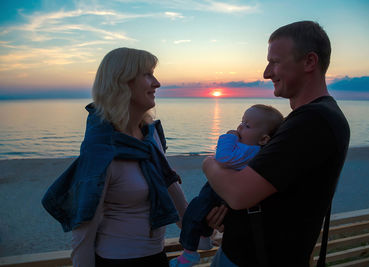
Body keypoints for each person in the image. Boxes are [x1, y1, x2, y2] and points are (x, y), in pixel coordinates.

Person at [203, 21, 350, 267]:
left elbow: (240, 193)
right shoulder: (312, 118)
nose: (266, 72)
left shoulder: (313, 121)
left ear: (309, 62)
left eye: (275, 61)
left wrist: (209, 163)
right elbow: (281, 193)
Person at [42, 47, 188, 267]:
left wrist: (196, 226)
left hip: (156, 257)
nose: (157, 83)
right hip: (118, 260)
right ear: (123, 82)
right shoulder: (102, 148)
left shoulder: (149, 134)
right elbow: (85, 227)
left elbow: (171, 188)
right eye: (147, 75)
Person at [170, 104, 284, 267]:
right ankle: (203, 238)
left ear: (263, 139)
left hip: (220, 190)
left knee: (194, 209)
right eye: (242, 122)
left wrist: (229, 136)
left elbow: (222, 157)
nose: (239, 127)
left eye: (247, 126)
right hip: (223, 189)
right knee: (203, 211)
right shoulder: (251, 150)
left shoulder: (250, 150)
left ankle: (189, 252)